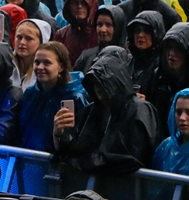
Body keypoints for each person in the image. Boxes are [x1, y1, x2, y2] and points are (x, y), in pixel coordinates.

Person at [53, 46, 160, 174]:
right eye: (95, 83)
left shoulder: (141, 110)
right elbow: (70, 151)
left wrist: (89, 161)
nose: (98, 88)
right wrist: (59, 134)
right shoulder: (90, 112)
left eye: (102, 82)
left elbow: (135, 158)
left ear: (116, 81)